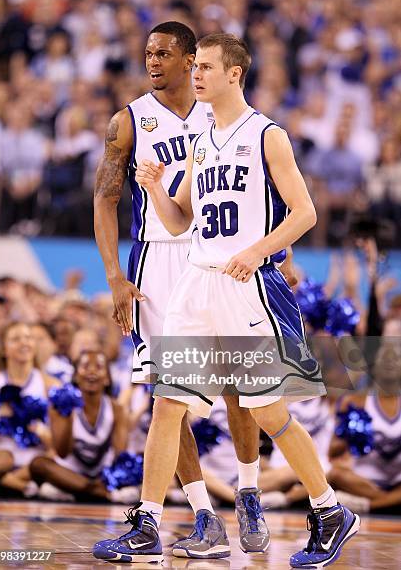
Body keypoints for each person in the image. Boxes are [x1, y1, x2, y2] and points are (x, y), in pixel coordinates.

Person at [93, 33, 360, 567]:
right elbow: (179, 219)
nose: (197, 75)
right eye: (197, 67)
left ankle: (329, 509)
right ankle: (146, 523)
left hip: (245, 287)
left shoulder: (268, 136)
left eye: (207, 67)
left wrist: (259, 251)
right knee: (168, 402)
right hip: (197, 281)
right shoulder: (200, 141)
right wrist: (153, 187)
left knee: (266, 410)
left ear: (235, 74)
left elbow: (304, 213)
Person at [93, 21, 276, 556]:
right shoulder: (129, 120)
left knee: (238, 388)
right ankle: (200, 514)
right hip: (155, 260)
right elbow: (105, 199)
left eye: (165, 53)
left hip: (215, 260)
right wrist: (114, 277)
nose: (153, 62)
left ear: (194, 59)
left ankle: (249, 494)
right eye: (147, 53)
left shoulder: (224, 110)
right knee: (166, 398)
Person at [30, 350, 135, 504]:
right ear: (76, 376)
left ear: (107, 378)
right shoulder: (60, 405)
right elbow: (62, 452)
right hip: (70, 472)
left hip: (102, 474)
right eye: (85, 366)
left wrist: (113, 477)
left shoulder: (117, 409)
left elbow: (120, 456)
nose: (91, 371)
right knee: (38, 464)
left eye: (98, 367)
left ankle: (78, 491)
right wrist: (69, 417)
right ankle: (102, 493)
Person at [328, 338, 401, 513]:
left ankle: (369, 505)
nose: (389, 362)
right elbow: (332, 452)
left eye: (395, 358)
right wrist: (351, 435)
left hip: (398, 481)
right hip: (362, 481)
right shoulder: (356, 401)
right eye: (384, 358)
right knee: (336, 474)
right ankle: (390, 503)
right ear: (374, 366)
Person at [0, 322, 59, 496]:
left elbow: (60, 446)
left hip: (33, 462)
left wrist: (42, 433)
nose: (24, 343)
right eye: (15, 339)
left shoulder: (50, 385)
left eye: (28, 338)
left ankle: (5, 482)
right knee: (4, 457)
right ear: (4, 349)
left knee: (49, 462)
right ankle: (22, 487)